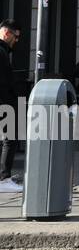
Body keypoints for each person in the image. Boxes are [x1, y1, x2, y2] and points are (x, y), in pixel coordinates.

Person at [0, 20, 22, 193]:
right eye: (15, 36)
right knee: (10, 139)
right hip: (4, 103)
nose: (17, 41)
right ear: (7, 33)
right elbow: (5, 82)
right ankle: (3, 177)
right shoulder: (1, 52)